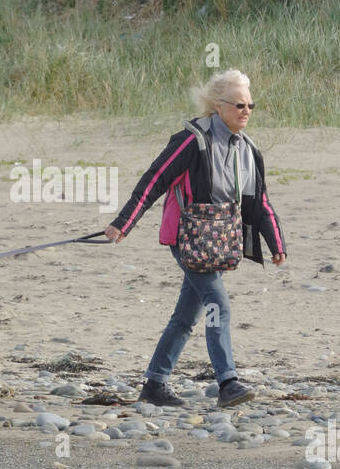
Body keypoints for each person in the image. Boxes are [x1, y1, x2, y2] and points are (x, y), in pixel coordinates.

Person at [105, 69, 285, 408]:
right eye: (239, 104)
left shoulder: (248, 150)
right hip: (187, 239)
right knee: (218, 305)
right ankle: (228, 382)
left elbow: (258, 201)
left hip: (218, 243)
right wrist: (123, 223)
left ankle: (155, 385)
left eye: (251, 105)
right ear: (218, 106)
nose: (246, 111)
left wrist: (276, 242)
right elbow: (155, 179)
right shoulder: (192, 140)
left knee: (187, 315)